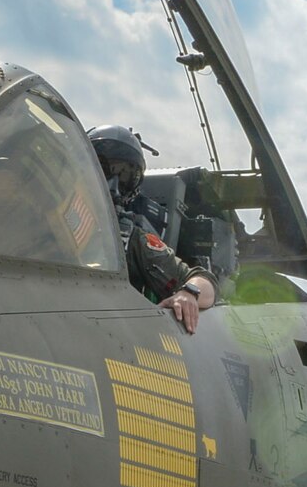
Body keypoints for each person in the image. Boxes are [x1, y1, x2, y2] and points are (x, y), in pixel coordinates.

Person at [88, 124, 217, 334]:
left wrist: (189, 292)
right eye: (104, 171)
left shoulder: (133, 240)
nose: (112, 186)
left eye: (124, 178)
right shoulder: (46, 215)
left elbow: (205, 281)